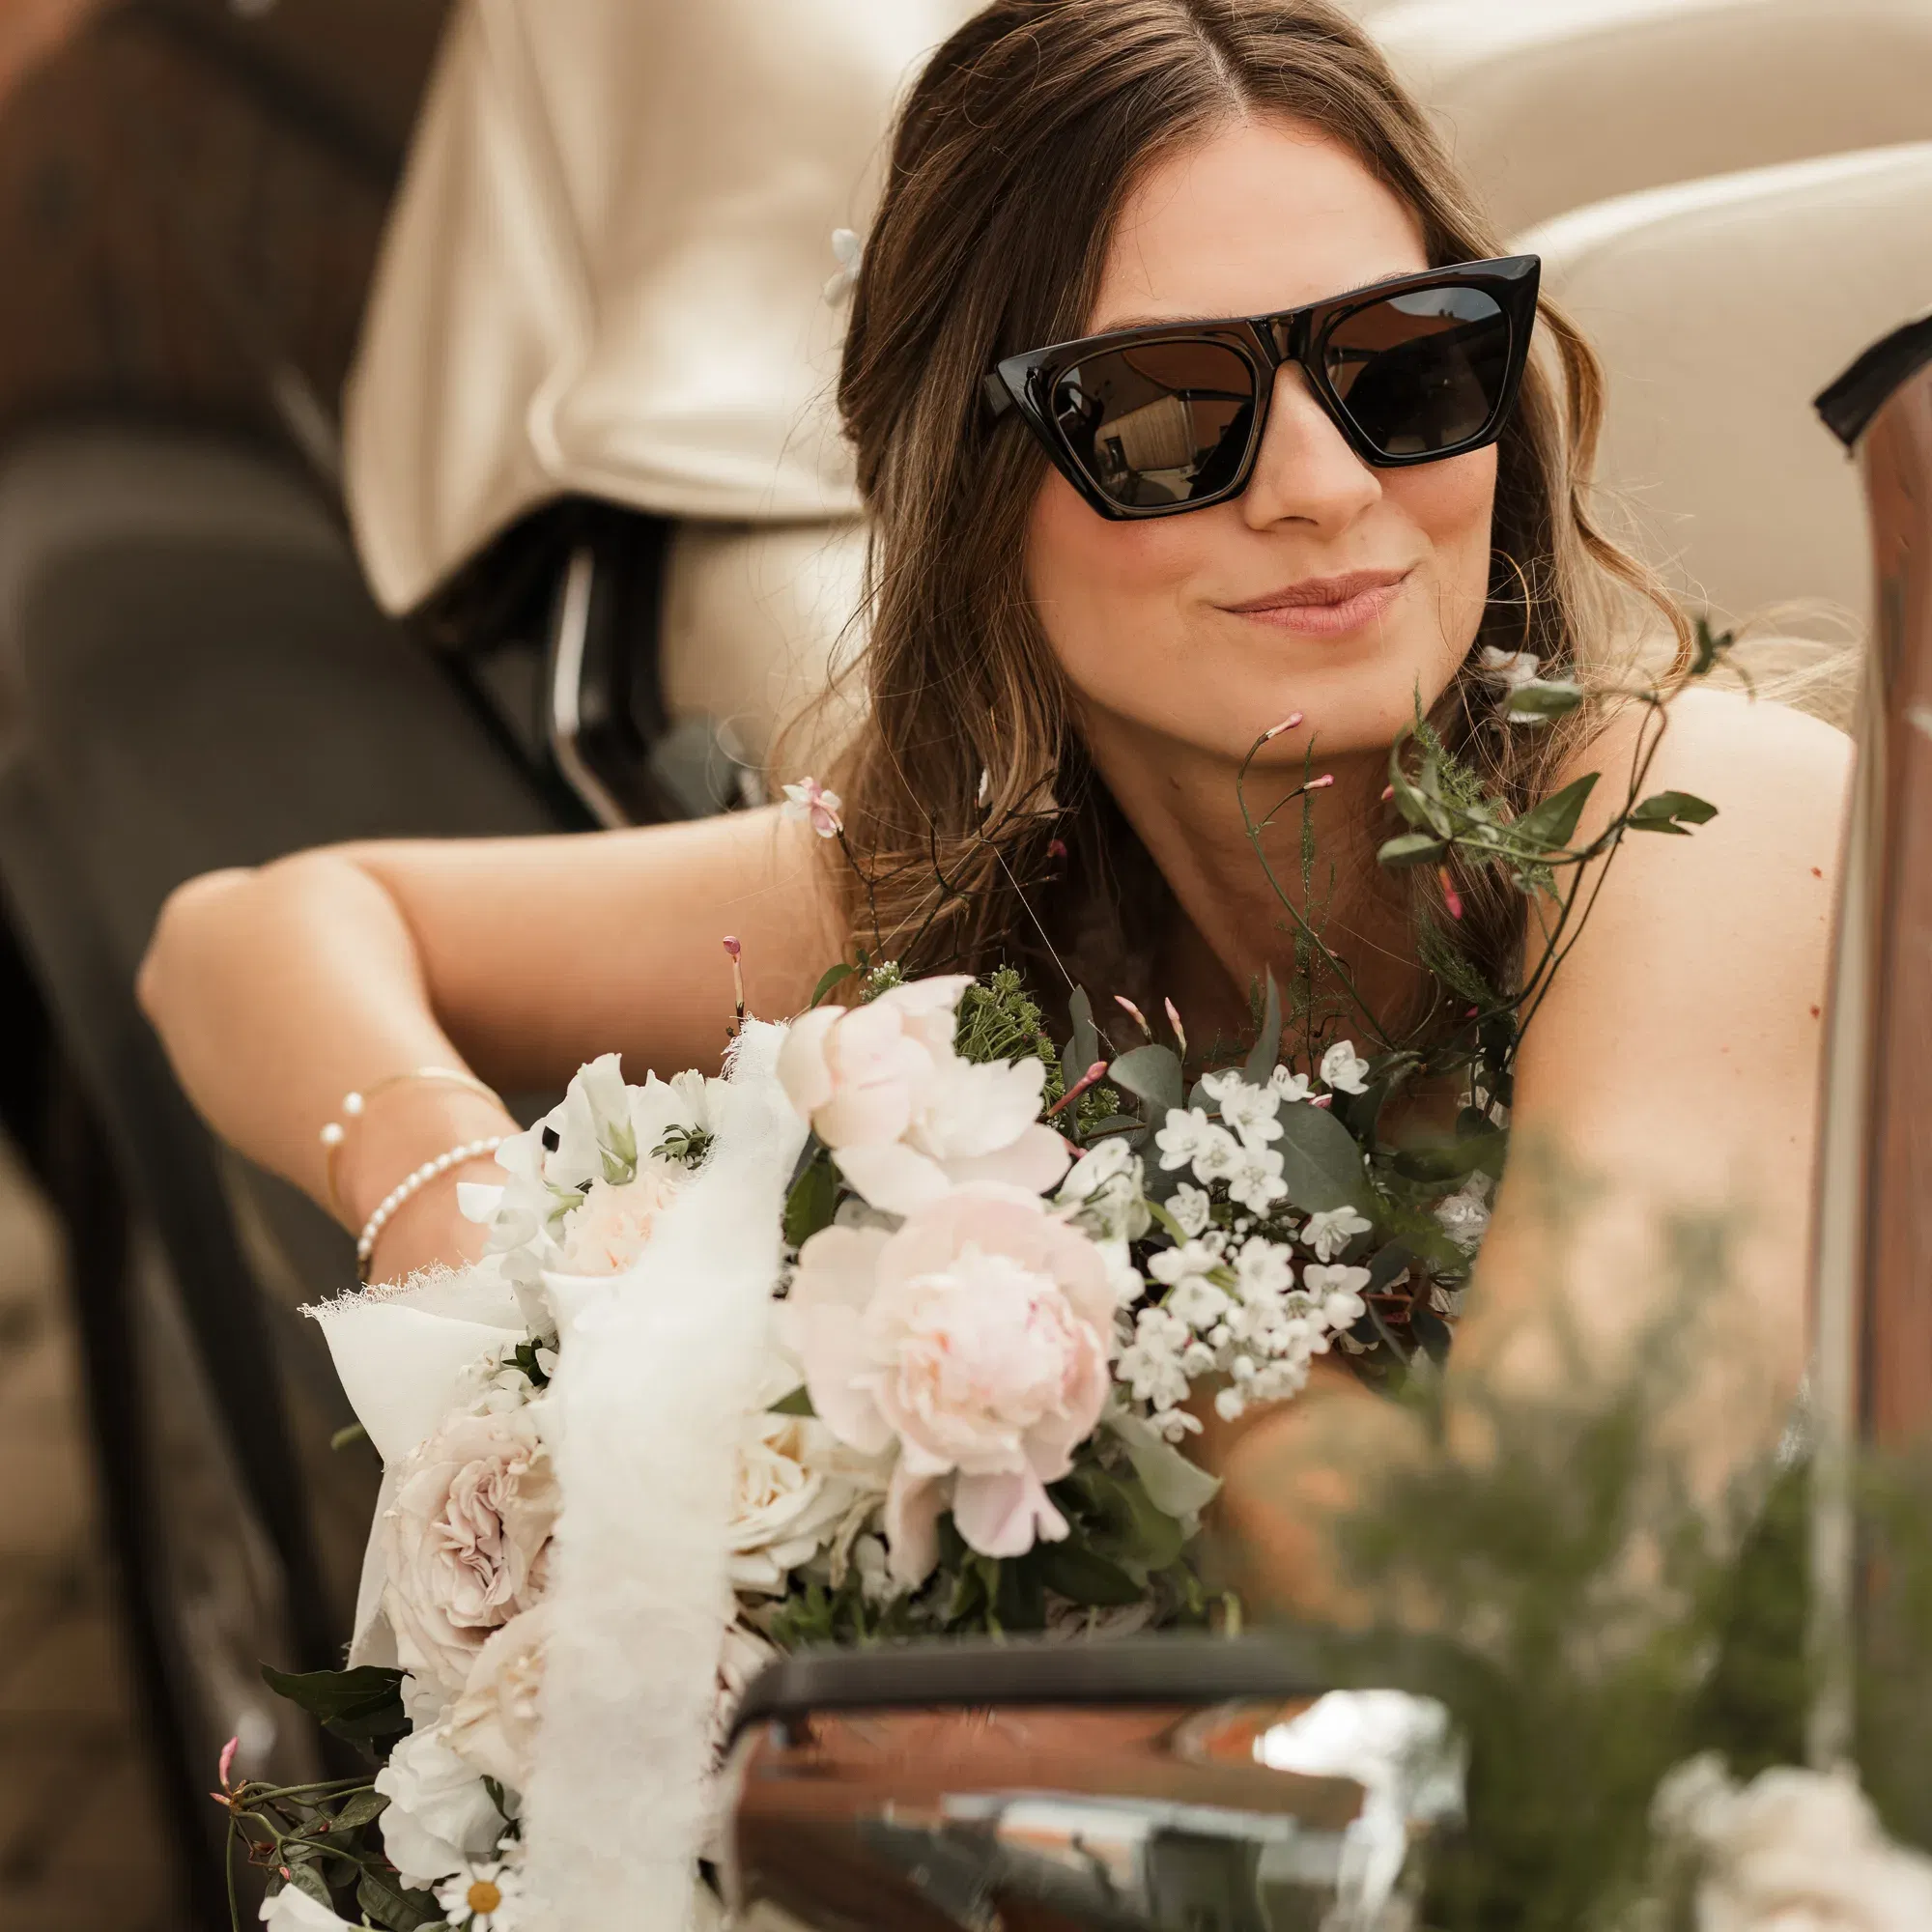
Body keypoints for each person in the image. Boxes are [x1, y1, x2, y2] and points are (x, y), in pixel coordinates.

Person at [136, 0, 1848, 1605]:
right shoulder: (980, 904)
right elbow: (246, 935)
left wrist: (1000, 1305)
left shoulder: (1693, 819)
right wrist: (477, 1229)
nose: (1330, 490)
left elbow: (1535, 1601)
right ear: (965, 491)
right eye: (1174, 418)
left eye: (1406, 368)